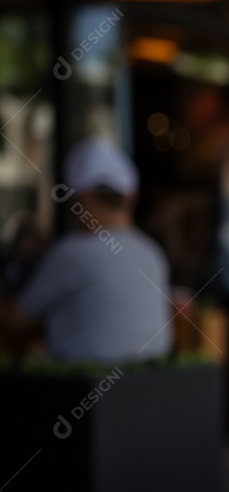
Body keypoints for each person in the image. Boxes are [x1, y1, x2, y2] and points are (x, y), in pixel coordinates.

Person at [6, 137, 173, 362]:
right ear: (130, 197)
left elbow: (14, 322)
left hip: (80, 391)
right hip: (152, 390)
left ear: (86, 198)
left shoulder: (71, 253)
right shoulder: (153, 254)